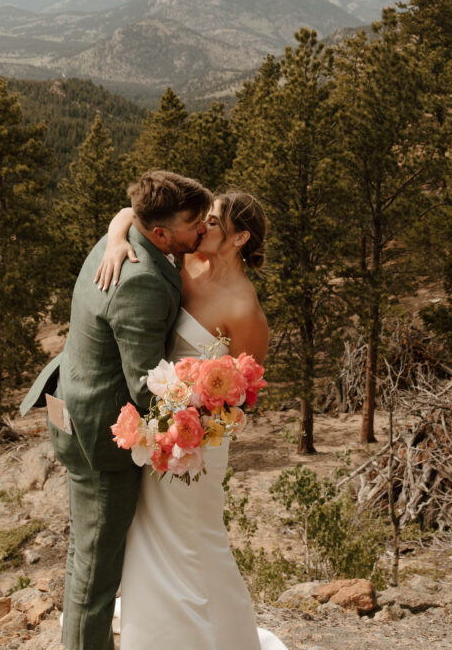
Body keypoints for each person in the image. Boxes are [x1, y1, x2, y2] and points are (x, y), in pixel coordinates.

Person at [19, 170, 211, 650]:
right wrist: (198, 419)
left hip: (74, 402)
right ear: (162, 234)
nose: (204, 228)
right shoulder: (140, 278)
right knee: (97, 566)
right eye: (195, 223)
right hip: (99, 433)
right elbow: (146, 385)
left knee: (88, 554)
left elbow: (128, 211)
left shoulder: (125, 238)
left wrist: (114, 231)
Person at [96, 190, 287, 650]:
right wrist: (114, 241)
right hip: (156, 436)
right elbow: (134, 212)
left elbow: (246, 397)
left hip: (197, 449)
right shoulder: (188, 264)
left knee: (196, 546)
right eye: (201, 219)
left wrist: (192, 416)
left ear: (240, 237)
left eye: (214, 223)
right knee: (149, 541)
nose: (201, 227)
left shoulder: (244, 309)